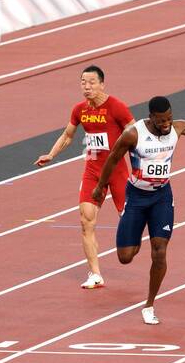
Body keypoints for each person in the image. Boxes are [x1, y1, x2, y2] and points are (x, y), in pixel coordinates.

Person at [91, 92, 185, 325]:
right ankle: (135, 234)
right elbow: (112, 158)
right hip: (137, 197)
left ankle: (149, 305)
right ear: (151, 117)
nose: (166, 124)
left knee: (160, 251)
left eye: (169, 118)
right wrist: (101, 187)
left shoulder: (177, 129)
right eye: (161, 121)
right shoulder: (133, 134)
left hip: (161, 197)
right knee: (125, 257)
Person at [35, 65, 135, 290]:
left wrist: (142, 164)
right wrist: (51, 154)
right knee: (85, 219)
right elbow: (68, 135)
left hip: (117, 171)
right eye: (83, 82)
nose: (87, 87)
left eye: (91, 82)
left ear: (102, 84)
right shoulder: (79, 109)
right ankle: (95, 274)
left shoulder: (117, 107)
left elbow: (135, 134)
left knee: (129, 220)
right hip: (92, 170)